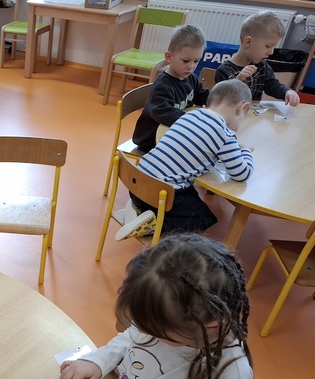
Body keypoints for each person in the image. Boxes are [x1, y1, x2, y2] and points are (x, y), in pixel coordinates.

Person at [59, 234, 253, 379]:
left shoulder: (229, 376)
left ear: (211, 327)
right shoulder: (167, 314)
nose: (144, 332)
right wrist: (98, 361)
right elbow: (131, 336)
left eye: (157, 333)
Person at [116, 79, 253, 240]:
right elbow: (242, 174)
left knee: (188, 195)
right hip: (160, 194)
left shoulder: (190, 115)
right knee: (202, 218)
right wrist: (245, 151)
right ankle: (152, 225)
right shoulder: (225, 135)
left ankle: (139, 209)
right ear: (242, 108)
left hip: (137, 183)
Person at [132, 24, 211, 154]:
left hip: (173, 134)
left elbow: (202, 95)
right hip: (151, 140)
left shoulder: (190, 78)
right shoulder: (163, 85)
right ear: (169, 57)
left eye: (196, 61)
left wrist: (218, 104)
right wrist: (192, 119)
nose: (191, 67)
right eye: (186, 61)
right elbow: (162, 112)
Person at [215, 10, 300, 107]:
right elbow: (221, 102)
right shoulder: (224, 71)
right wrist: (237, 81)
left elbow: (273, 86)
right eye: (268, 46)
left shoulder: (262, 65)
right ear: (248, 42)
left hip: (252, 113)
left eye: (273, 47)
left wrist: (287, 91)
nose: (271, 52)